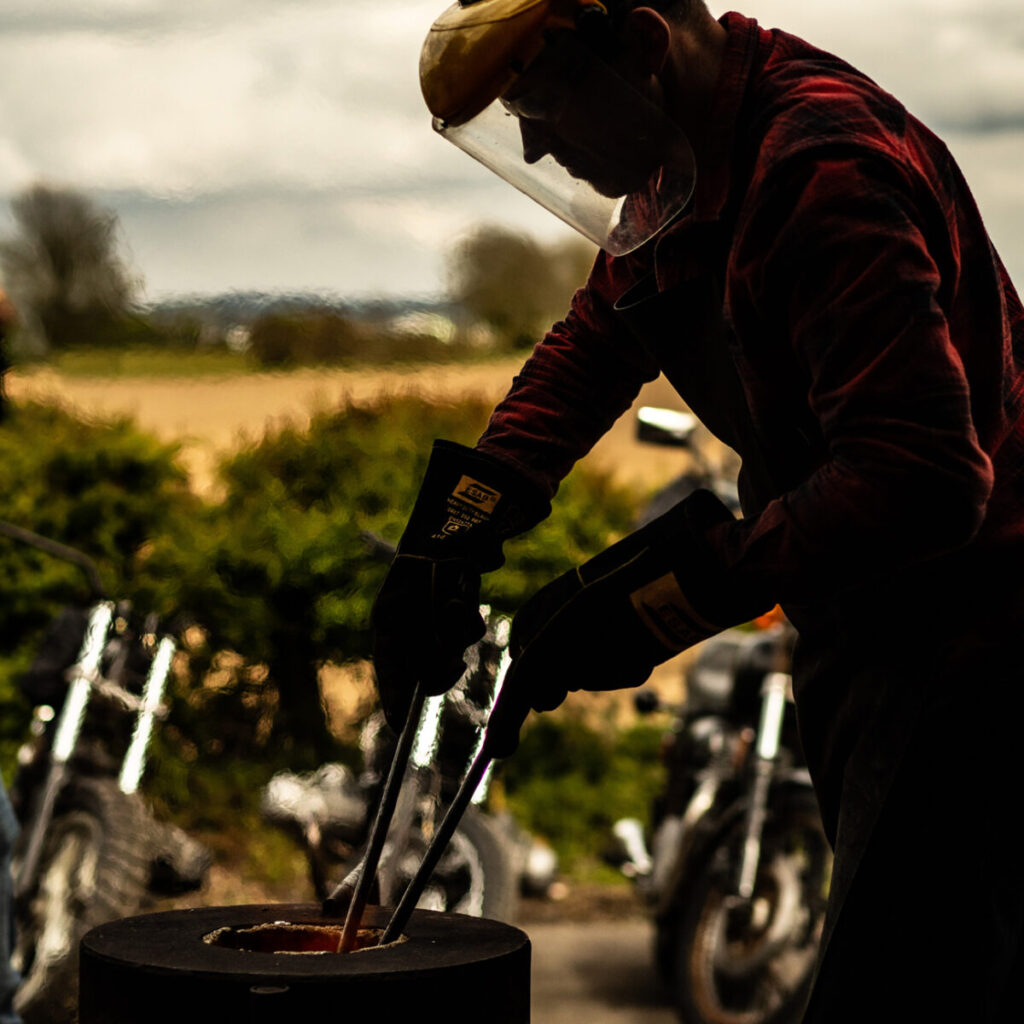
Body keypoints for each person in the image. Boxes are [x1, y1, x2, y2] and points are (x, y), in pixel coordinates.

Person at [371, 1, 1024, 1019]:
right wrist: (456, 527)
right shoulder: (686, 167)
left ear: (639, 45)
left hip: (975, 650)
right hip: (865, 630)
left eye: (543, 103)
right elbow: (594, 343)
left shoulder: (819, 169)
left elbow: (920, 477)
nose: (537, 141)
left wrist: (655, 604)